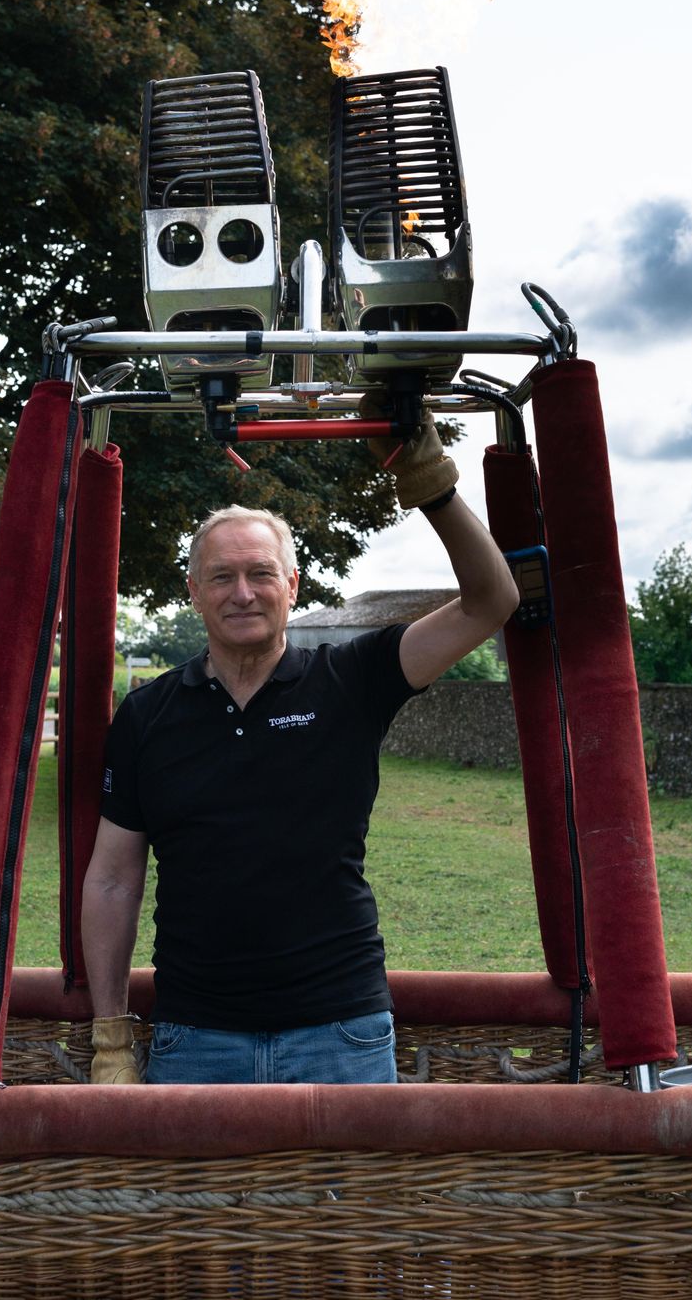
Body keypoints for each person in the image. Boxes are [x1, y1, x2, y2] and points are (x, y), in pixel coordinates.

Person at [82, 410, 519, 1085]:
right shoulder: (146, 715)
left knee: (349, 1197)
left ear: (293, 585)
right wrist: (111, 1036)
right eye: (221, 576)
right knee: (198, 1199)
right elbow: (112, 879)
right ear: (192, 590)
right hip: (196, 1037)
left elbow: (491, 600)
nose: (243, 592)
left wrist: (429, 483)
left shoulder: (354, 678)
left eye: (261, 573)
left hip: (341, 1030)